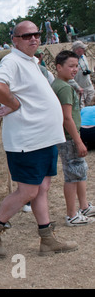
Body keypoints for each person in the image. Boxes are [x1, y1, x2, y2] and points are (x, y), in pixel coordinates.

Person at [0, 20, 78, 257]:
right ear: (14, 39)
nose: (33, 38)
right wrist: (14, 104)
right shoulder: (12, 61)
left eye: (36, 34)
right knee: (28, 191)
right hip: (28, 140)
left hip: (43, 139)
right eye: (26, 36)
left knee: (42, 187)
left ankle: (47, 239)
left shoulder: (31, 61)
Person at [52, 50, 95, 226]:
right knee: (72, 175)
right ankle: (71, 215)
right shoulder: (63, 88)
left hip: (69, 136)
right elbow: (66, 117)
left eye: (76, 66)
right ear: (59, 67)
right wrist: (78, 141)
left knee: (79, 171)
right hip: (69, 137)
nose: (75, 69)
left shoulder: (61, 84)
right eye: (71, 66)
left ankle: (84, 206)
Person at [71, 41, 94, 108]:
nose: (84, 50)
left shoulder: (84, 56)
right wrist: (77, 87)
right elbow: (69, 77)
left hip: (88, 85)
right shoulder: (72, 60)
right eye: (82, 48)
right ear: (77, 50)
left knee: (90, 103)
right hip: (79, 88)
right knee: (81, 107)